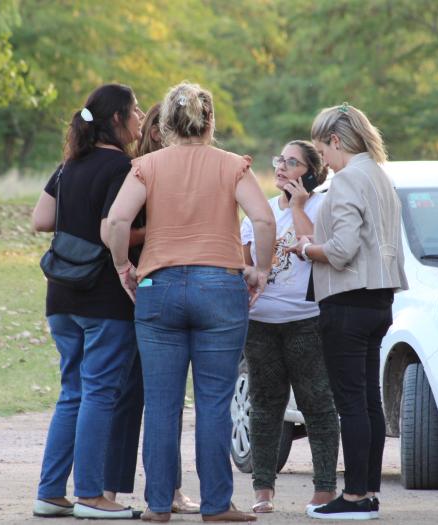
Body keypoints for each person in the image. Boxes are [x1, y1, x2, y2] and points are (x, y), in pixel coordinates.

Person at [104, 82, 275, 522]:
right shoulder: (233, 166)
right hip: (220, 286)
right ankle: (217, 504)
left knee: (162, 405)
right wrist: (260, 269)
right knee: (214, 403)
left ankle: (159, 505)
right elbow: (262, 217)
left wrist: (124, 265)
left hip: (158, 288)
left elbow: (119, 220)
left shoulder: (146, 166)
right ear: (210, 122)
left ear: (163, 125)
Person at [285, 102, 408, 520]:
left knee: (351, 402)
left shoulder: (347, 180)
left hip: (347, 300)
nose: (324, 160)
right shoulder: (380, 176)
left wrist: (305, 247)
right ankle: (368, 490)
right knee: (368, 400)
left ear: (336, 140)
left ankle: (355, 497)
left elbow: (341, 250)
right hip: (379, 300)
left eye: (323, 149)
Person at [29, 83, 147, 519]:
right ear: (116, 119)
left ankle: (50, 491)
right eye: (134, 111)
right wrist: (151, 234)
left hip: (61, 294)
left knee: (73, 392)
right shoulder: (122, 168)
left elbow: (41, 219)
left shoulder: (68, 166)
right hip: (103, 297)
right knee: (100, 392)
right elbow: (109, 230)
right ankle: (92, 495)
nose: (139, 119)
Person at [102, 103, 201, 514]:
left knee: (153, 395)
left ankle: (157, 489)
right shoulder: (141, 168)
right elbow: (112, 225)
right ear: (160, 134)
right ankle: (122, 488)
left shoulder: (162, 167)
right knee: (150, 395)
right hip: (142, 285)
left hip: (154, 285)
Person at [239, 141, 339, 514]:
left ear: (311, 172)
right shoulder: (259, 211)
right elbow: (245, 263)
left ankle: (325, 488)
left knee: (317, 403)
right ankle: (262, 488)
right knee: (264, 405)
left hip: (306, 321)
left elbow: (315, 245)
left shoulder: (321, 206)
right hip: (261, 323)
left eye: (292, 162)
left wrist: (298, 206)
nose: (281, 167)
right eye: (280, 160)